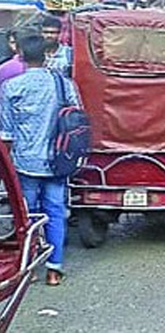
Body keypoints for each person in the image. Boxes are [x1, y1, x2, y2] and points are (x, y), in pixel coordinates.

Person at [0, 33, 82, 286]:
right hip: (58, 160)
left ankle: (30, 267)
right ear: (47, 55)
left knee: (28, 216)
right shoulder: (63, 84)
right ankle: (54, 269)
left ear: (22, 56)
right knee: (55, 212)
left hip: (24, 162)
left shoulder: (11, 87)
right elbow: (78, 116)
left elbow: (6, 132)